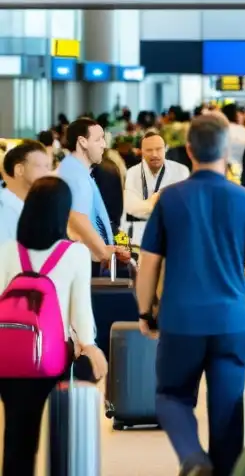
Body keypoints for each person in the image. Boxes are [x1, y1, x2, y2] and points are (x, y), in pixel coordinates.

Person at [136, 116, 245, 476]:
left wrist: (144, 312)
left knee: (171, 396)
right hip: (231, 322)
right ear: (228, 152)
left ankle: (192, 457)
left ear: (188, 151)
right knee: (228, 411)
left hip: (181, 320)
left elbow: (149, 264)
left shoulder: (169, 200)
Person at [0, 177, 106, 475]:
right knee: (61, 426)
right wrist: (90, 347)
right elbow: (80, 313)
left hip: (9, 355)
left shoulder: (8, 250)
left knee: (17, 434)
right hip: (50, 357)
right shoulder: (74, 253)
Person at [57, 117, 122, 264]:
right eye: (98, 139)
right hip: (79, 258)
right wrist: (103, 251)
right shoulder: (75, 174)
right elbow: (76, 218)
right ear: (82, 142)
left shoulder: (77, 170)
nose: (104, 145)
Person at [124, 130, 191, 243]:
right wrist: (158, 199)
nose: (154, 154)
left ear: (165, 149)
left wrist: (146, 205)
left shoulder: (181, 171)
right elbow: (131, 208)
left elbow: (183, 207)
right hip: (140, 234)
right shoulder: (132, 172)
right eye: (149, 150)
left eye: (159, 149)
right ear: (141, 152)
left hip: (174, 233)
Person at [0, 140, 52, 244]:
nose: (47, 173)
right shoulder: (4, 210)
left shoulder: (35, 206)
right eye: (39, 166)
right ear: (19, 170)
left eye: (47, 166)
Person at [222, 103, 245, 169]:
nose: (243, 116)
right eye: (240, 114)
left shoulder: (221, 130)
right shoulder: (240, 130)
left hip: (224, 168)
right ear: (236, 115)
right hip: (238, 169)